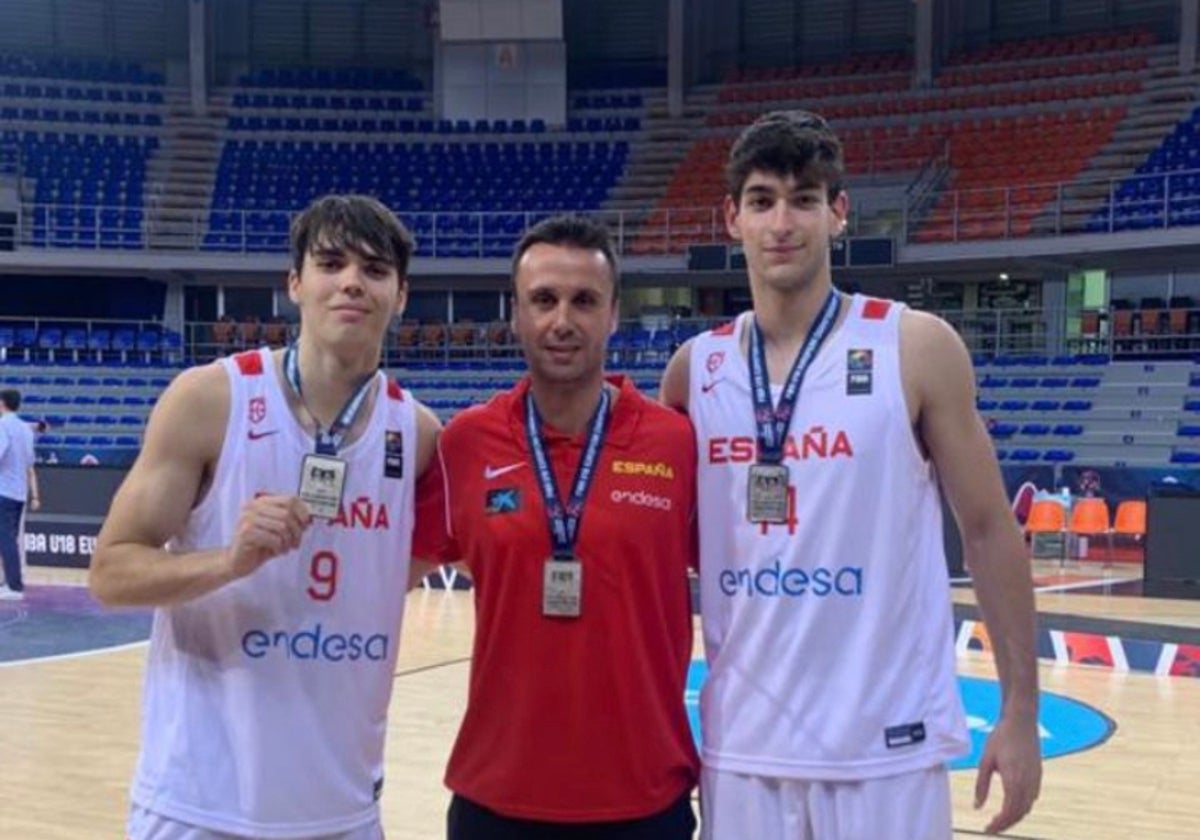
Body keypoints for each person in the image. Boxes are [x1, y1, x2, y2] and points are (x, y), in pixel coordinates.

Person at [660, 111, 1042, 839]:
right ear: (731, 218)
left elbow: (991, 530)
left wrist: (1018, 711)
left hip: (886, 749)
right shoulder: (693, 369)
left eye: (805, 199)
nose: (783, 221)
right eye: (763, 199)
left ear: (838, 215)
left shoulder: (914, 345)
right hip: (744, 751)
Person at [89, 194, 443, 840]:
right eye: (331, 263)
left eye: (374, 268)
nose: (351, 282)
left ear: (400, 296)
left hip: (342, 812)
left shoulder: (417, 435)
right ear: (294, 283)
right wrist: (228, 561)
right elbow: (110, 572)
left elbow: (407, 565)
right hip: (199, 806)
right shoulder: (209, 400)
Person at [414, 215, 700, 838]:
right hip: (496, 801)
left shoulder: (676, 442)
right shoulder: (466, 443)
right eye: (543, 300)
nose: (562, 320)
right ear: (516, 313)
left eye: (584, 300)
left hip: (646, 802)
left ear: (614, 313)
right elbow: (377, 581)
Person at [0, 388, 38, 600]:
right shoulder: (25, 429)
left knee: (5, 538)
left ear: (2, 403)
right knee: (10, 538)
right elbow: (29, 461)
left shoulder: (3, 426)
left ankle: (14, 586)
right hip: (19, 491)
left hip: (4, 489)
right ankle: (10, 581)